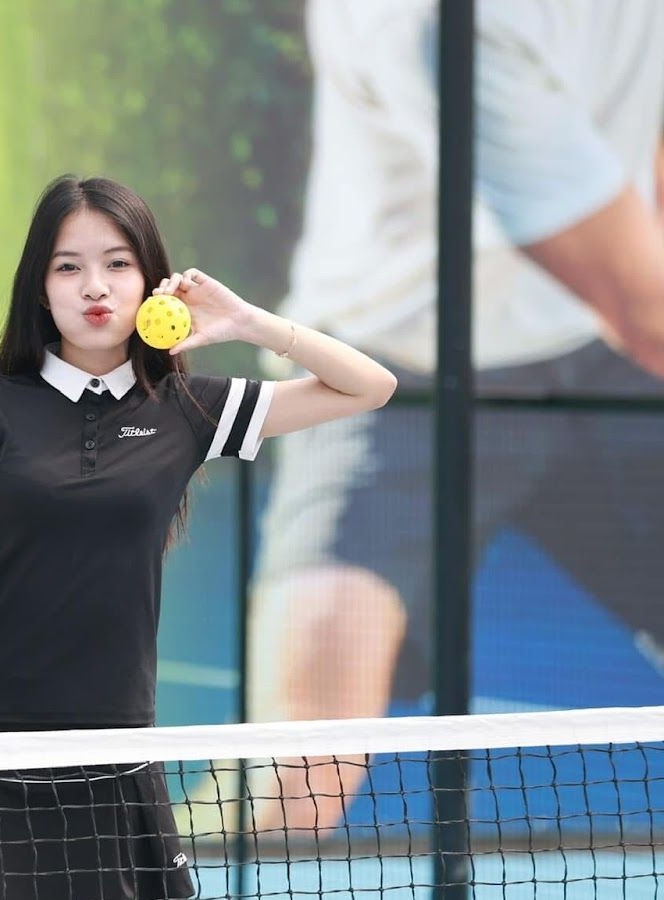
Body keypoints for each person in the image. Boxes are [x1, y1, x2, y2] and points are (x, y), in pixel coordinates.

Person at [0, 175, 396, 900]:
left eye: (118, 264)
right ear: (40, 288)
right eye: (68, 266)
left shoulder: (188, 409)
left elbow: (370, 386)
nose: (95, 286)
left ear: (151, 283)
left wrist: (247, 323)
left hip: (117, 740)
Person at [250, 0, 664, 833]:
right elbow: (641, 306)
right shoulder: (432, 24)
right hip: (391, 374)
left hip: (593, 356)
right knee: (301, 779)